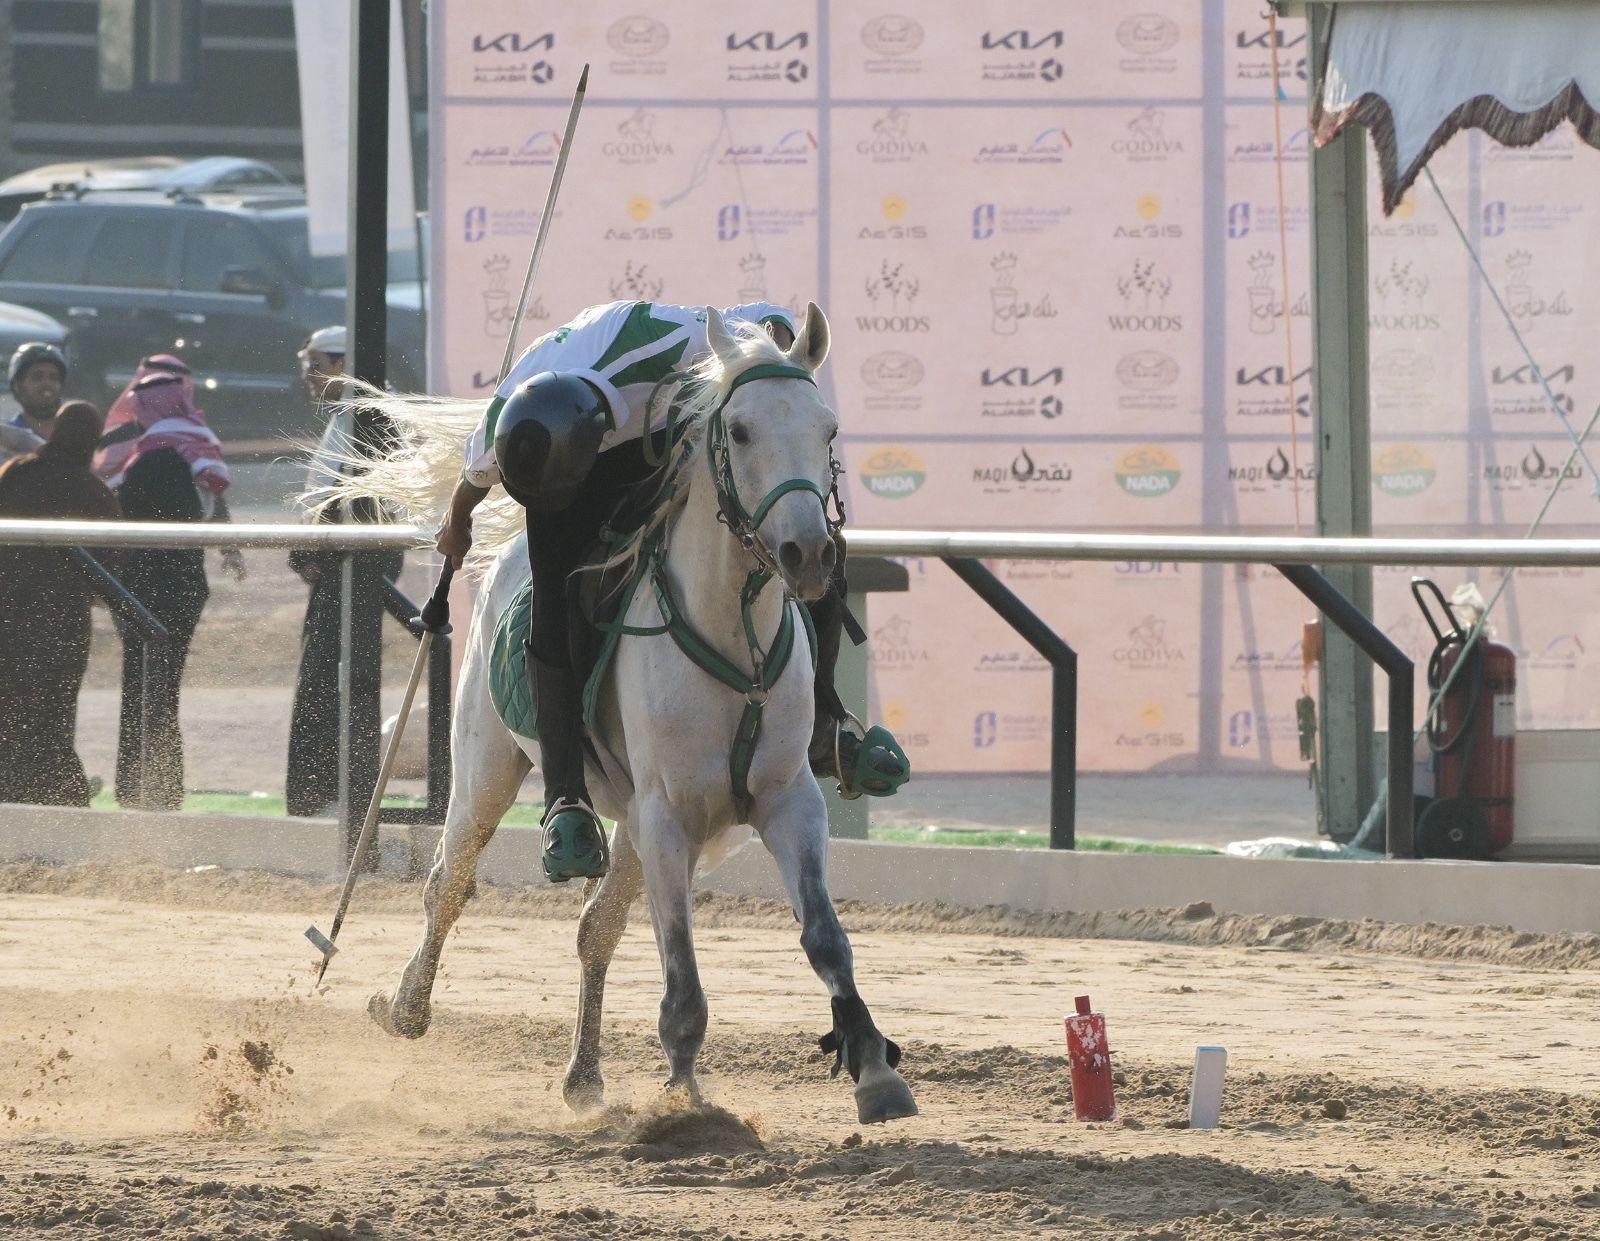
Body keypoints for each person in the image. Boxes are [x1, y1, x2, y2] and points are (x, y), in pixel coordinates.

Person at [434, 299, 909, 884]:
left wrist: (782, 356)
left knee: (806, 537)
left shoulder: (677, 349)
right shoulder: (510, 416)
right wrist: (457, 525)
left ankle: (828, 725)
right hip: (562, 470)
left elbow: (764, 340)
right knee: (555, 597)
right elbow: (472, 483)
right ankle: (566, 796)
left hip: (653, 440)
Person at [94, 361, 242, 810]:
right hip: (183, 587)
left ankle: (145, 791)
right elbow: (214, 513)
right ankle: (158, 788)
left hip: (148, 588)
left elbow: (132, 517)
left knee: (144, 688)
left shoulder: (153, 456)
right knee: (160, 688)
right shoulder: (195, 450)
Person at [286, 326, 402, 817]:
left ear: (343, 364)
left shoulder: (371, 413)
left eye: (319, 364)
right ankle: (320, 795)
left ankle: (331, 797)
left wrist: (320, 543)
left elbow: (367, 499)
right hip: (341, 562)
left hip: (356, 563)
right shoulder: (350, 414)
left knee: (335, 679)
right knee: (325, 675)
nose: (310, 377)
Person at [0, 402, 120, 805]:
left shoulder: (16, 472)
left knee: (10, 705)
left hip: (6, 616)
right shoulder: (92, 491)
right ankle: (57, 797)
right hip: (62, 623)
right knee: (53, 711)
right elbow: (113, 567)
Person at [2, 341, 66, 462]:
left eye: (54, 377)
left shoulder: (74, 436)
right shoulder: (6, 439)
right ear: (18, 386)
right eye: (37, 377)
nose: (47, 384)